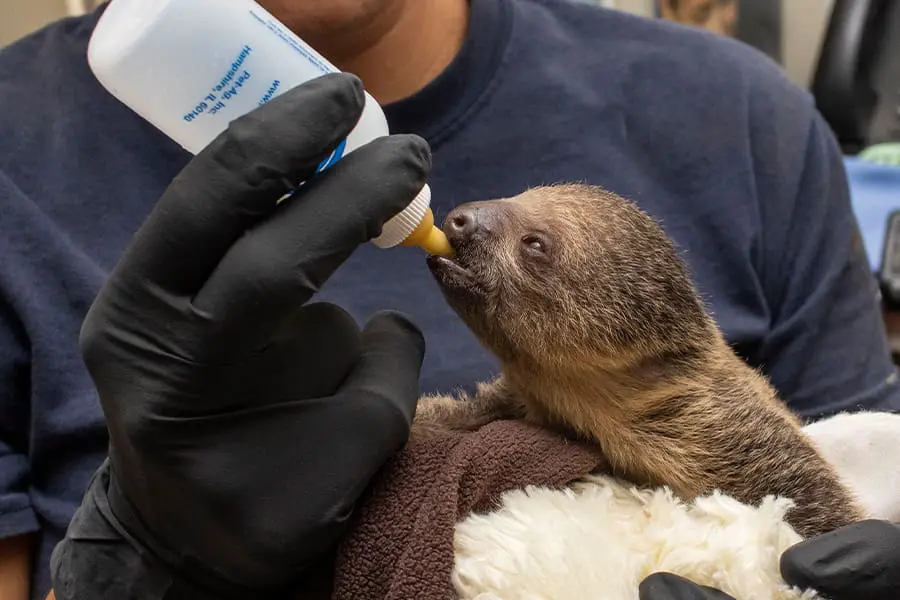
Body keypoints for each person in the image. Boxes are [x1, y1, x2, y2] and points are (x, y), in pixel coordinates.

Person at [1, 0, 899, 598]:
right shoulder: (15, 150)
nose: (469, 222)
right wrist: (131, 560)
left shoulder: (743, 117)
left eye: (535, 248)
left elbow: (850, 486)